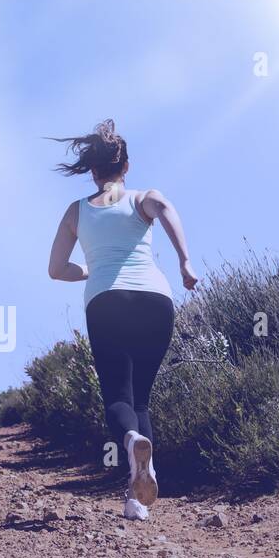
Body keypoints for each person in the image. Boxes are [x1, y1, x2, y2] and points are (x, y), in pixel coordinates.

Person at [46, 120, 198, 521]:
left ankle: (130, 442)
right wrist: (184, 261)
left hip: (106, 302)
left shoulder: (76, 212)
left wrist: (92, 269)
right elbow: (164, 208)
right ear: (125, 166)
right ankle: (137, 499)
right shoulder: (141, 197)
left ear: (92, 171)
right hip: (155, 299)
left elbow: (56, 269)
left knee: (118, 397)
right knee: (141, 398)